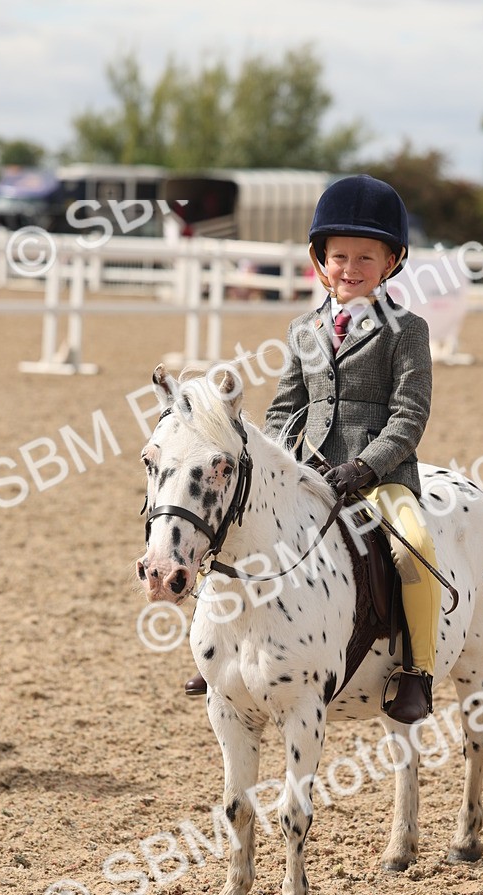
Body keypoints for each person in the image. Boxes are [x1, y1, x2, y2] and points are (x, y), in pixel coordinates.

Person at [187, 174, 442, 724]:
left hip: (381, 476)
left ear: (391, 262)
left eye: (365, 257)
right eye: (339, 256)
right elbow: (285, 407)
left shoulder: (408, 330)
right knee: (236, 527)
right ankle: (219, 650)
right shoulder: (304, 328)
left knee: (413, 549)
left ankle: (416, 670)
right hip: (309, 472)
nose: (351, 268)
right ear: (320, 261)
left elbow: (409, 415)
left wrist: (366, 465)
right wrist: (273, 463)